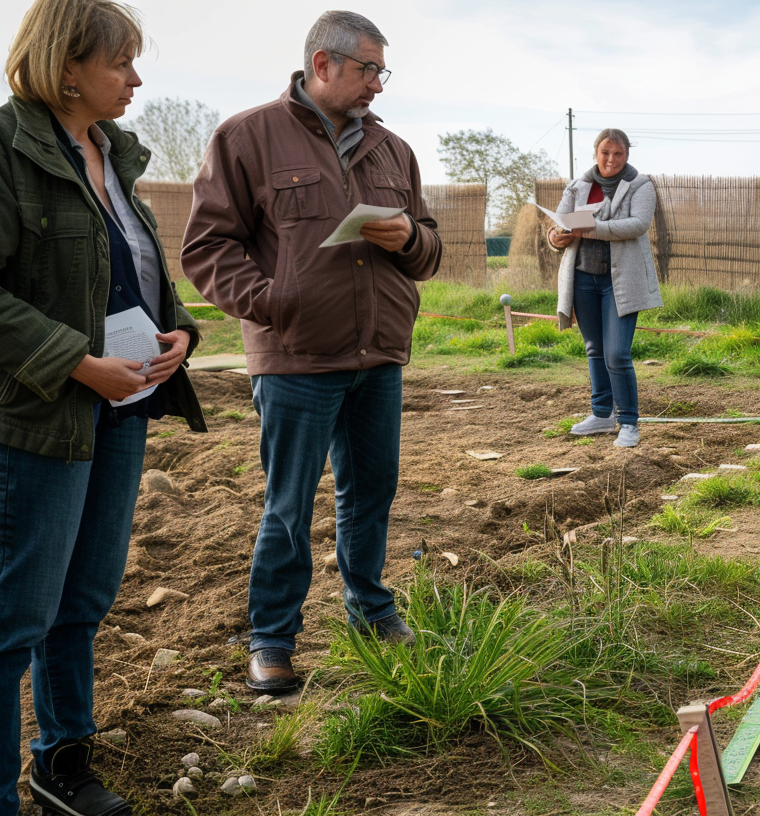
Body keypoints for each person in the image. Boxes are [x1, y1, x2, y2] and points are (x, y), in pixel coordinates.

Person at [182, 11, 441, 693]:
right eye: (368, 71)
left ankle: (370, 608)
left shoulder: (394, 151)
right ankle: (272, 638)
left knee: (371, 494)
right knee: (288, 504)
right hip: (296, 358)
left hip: (378, 355)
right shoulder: (245, 137)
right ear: (323, 65)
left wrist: (409, 237)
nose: (378, 86)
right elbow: (207, 249)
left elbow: (432, 249)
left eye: (383, 72)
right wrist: (276, 304)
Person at [1, 0, 208, 812]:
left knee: (82, 603)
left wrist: (180, 331)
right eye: (120, 61)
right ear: (65, 66)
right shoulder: (8, 150)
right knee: (16, 619)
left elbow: (137, 268)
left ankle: (61, 765)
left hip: (123, 407)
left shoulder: (111, 154)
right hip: (41, 416)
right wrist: (76, 364)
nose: (136, 77)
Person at [548, 129, 662, 449]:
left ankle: (628, 422)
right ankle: (601, 414)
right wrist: (555, 238)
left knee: (617, 353)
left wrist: (591, 229)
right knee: (594, 349)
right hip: (583, 278)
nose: (611, 160)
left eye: (618, 154)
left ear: (627, 155)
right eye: (605, 153)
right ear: (595, 153)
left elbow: (637, 225)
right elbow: (560, 225)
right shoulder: (578, 186)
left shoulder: (640, 185)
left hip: (621, 281)